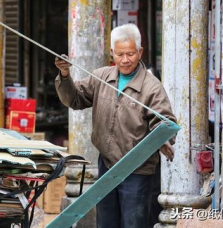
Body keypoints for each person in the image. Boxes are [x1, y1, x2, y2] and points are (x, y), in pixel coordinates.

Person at [54, 23, 177, 228]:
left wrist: (161, 139)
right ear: (112, 53)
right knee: (107, 222)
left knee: (134, 223)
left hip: (137, 169)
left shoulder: (151, 87)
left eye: (130, 53)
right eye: (120, 54)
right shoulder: (101, 76)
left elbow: (165, 121)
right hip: (107, 165)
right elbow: (75, 99)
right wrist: (65, 75)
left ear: (140, 52)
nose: (125, 60)